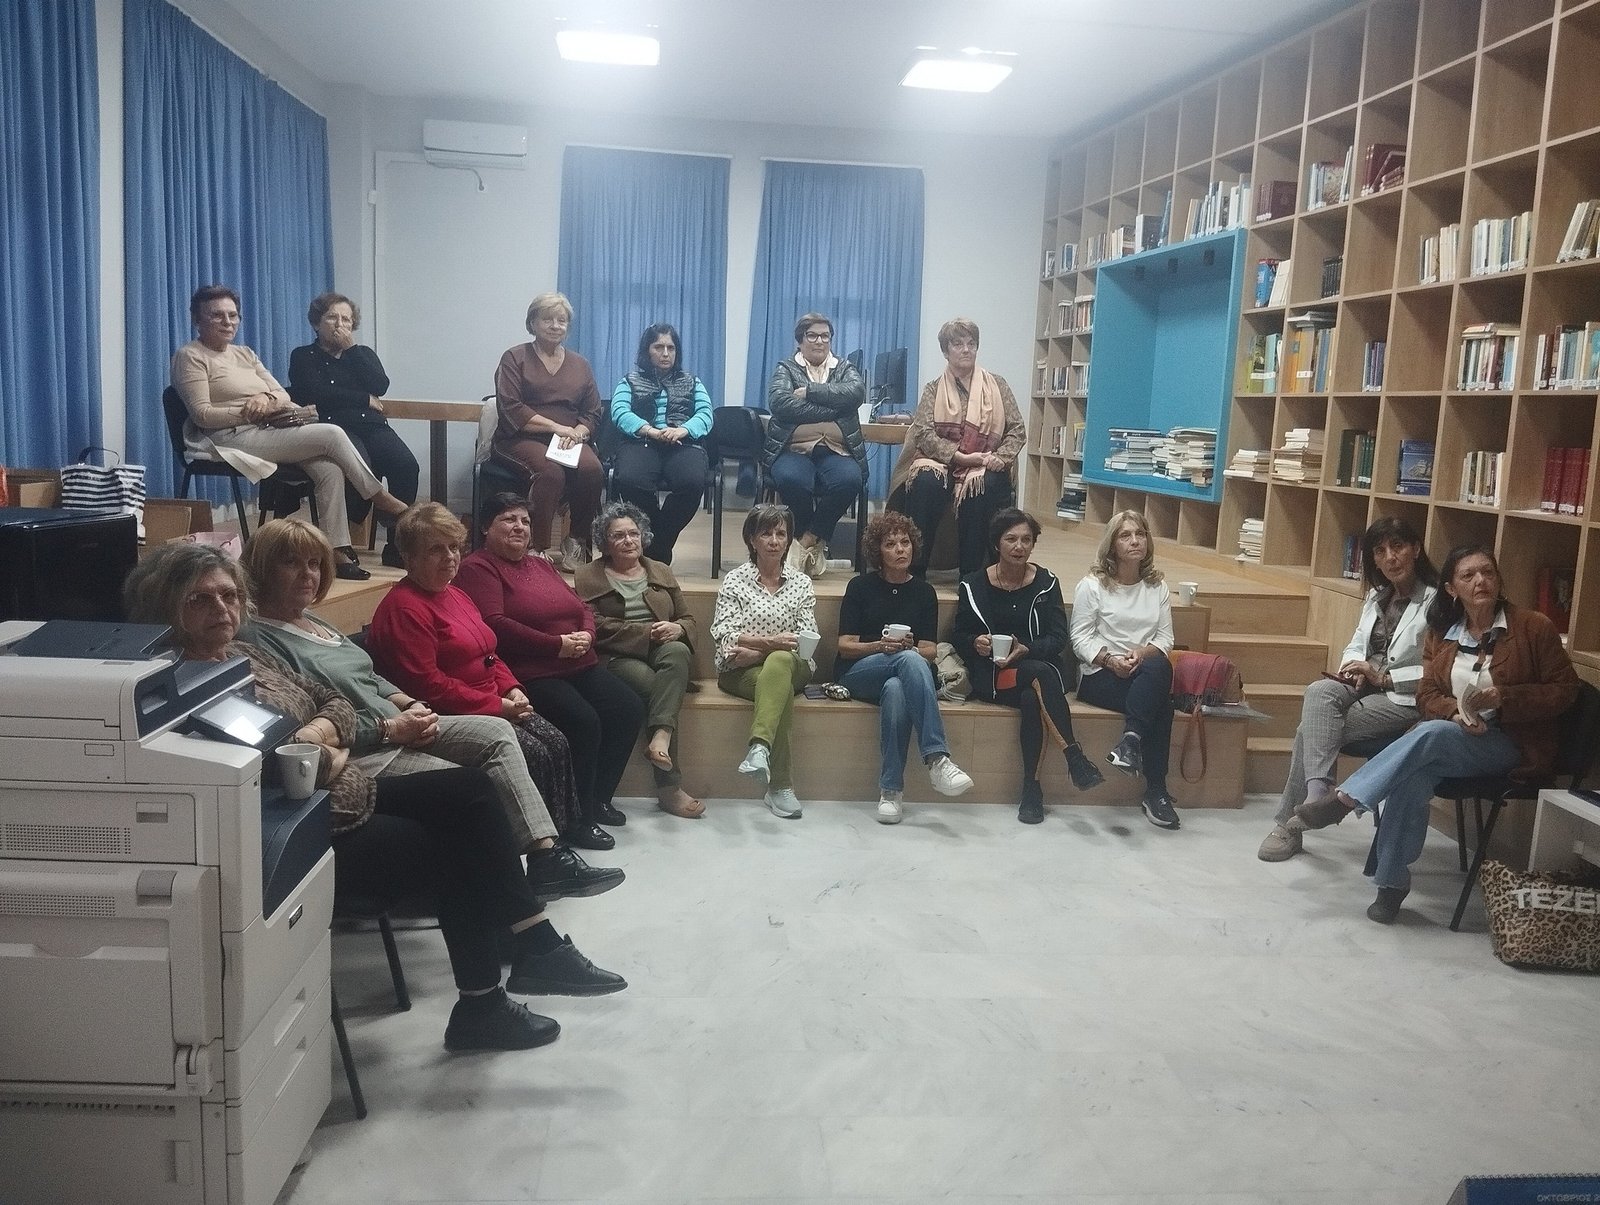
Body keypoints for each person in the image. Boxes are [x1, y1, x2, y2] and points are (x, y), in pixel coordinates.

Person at [124, 542, 625, 1053]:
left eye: (229, 596)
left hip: (347, 789)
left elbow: (333, 703)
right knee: (460, 832)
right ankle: (498, 987)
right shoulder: (177, 684)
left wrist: (319, 737)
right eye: (200, 600)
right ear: (165, 606)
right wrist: (326, 745)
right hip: (302, 827)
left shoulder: (242, 654)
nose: (222, 609)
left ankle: (524, 953)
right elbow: (292, 767)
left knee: (471, 793)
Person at [241, 517, 619, 901]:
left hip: (402, 719)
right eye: (291, 563)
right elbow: (311, 714)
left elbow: (369, 676)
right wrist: (393, 726)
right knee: (477, 784)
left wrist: (410, 704)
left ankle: (546, 856)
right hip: (365, 748)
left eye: (314, 564)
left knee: (502, 733)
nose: (308, 574)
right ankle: (503, 895)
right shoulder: (259, 638)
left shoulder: (312, 619)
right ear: (262, 568)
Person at [1293, 545, 1579, 923]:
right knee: (1414, 772)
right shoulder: (1443, 633)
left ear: (1498, 579)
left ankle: (1345, 798)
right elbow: (1426, 695)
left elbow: (1565, 691)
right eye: (1468, 575)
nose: (1480, 581)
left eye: (1488, 572)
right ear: (1451, 589)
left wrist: (1504, 698)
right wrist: (1455, 713)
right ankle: (1391, 883)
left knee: (1430, 735)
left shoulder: (1533, 627)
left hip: (1512, 744)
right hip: (1458, 735)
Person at [364, 503, 612, 852]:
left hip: (491, 698)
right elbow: (428, 686)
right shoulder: (404, 608)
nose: (450, 557)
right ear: (409, 557)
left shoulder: (455, 593)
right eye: (435, 549)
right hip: (447, 713)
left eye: (454, 547)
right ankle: (535, 852)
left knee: (556, 742)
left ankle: (563, 834)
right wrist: (496, 705)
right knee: (533, 752)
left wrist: (512, 688)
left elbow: (489, 653)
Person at [170, 284, 409, 580]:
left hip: (268, 428)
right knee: (332, 434)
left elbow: (282, 394)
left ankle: (336, 549)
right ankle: (380, 498)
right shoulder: (190, 356)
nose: (227, 321)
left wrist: (266, 398)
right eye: (217, 315)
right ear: (198, 319)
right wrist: (250, 410)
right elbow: (202, 415)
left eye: (233, 315)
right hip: (227, 437)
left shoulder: (244, 353)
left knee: (329, 468)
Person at [455, 494, 646, 840]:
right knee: (583, 721)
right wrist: (555, 645)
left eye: (525, 521)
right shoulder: (478, 567)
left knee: (628, 707)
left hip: (577, 663)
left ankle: (597, 799)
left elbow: (581, 606)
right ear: (485, 527)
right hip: (530, 672)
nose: (519, 527)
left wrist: (587, 634)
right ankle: (576, 820)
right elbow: (494, 624)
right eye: (508, 519)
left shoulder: (540, 565)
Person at [1258, 517, 1439, 862]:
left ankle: (1289, 825)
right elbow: (1357, 642)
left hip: (1404, 697)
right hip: (1364, 684)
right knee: (1319, 690)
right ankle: (1317, 796)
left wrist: (1384, 678)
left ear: (1416, 549)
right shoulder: (1377, 596)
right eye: (1380, 551)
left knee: (1309, 730)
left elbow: (1441, 670)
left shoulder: (1437, 602)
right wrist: (1353, 667)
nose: (1390, 557)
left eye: (1398, 547)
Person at [952, 507, 1104, 824]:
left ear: (1033, 544)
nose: (1019, 546)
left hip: (1036, 674)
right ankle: (1074, 757)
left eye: (1026, 540)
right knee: (1039, 675)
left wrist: (1026, 649)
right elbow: (959, 634)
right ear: (997, 544)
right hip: (994, 676)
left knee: (1032, 695)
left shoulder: (1046, 583)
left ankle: (1031, 792)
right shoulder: (973, 585)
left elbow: (1058, 638)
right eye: (1011, 539)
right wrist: (975, 642)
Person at [833, 510, 974, 824]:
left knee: (897, 688)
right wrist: (880, 646)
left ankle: (891, 791)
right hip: (859, 671)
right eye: (891, 544)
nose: (900, 549)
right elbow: (845, 645)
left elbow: (929, 650)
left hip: (902, 674)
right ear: (878, 552)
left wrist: (909, 648)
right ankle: (937, 758)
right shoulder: (860, 587)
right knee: (909, 660)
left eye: (905, 542)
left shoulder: (924, 592)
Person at [574, 501, 703, 819]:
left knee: (678, 651)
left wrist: (677, 628)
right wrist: (646, 633)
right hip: (616, 656)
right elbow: (594, 626)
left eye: (633, 533)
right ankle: (669, 787)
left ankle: (661, 737)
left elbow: (687, 619)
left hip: (663, 649)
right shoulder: (587, 576)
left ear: (643, 536)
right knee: (654, 688)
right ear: (605, 542)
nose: (628, 540)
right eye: (618, 535)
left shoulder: (660, 570)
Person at [287, 292, 419, 568]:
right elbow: (313, 393)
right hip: (334, 428)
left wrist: (351, 350)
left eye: (346, 320)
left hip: (372, 426)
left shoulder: (362, 354)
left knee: (406, 465)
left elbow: (380, 385)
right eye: (332, 318)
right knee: (360, 468)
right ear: (316, 323)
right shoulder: (303, 356)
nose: (340, 325)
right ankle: (342, 544)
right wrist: (363, 398)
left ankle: (397, 544)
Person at [889, 318, 1026, 578]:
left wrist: (1001, 457)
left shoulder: (997, 385)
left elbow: (1017, 429)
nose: (966, 349)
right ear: (945, 351)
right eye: (958, 344)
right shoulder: (933, 389)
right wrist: (958, 457)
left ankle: (972, 577)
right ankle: (914, 573)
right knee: (925, 482)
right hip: (941, 461)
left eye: (971, 344)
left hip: (985, 462)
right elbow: (923, 432)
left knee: (983, 484)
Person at [1071, 510, 1180, 831]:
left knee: (1158, 665)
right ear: (1112, 544)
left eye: (1140, 534)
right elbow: (1080, 638)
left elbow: (1165, 639)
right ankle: (1156, 791)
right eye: (1125, 535)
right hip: (1099, 674)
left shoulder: (1157, 587)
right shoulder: (1092, 586)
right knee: (1163, 705)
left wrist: (1140, 654)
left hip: (1142, 671)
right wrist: (1110, 661)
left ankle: (1130, 742)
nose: (1135, 541)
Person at [710, 504, 817, 818]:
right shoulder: (735, 581)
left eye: (781, 533)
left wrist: (760, 650)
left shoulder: (801, 583)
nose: (774, 540)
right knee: (779, 688)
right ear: (751, 540)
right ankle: (780, 787)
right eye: (766, 533)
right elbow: (724, 633)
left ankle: (760, 747)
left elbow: (805, 639)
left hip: (792, 664)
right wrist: (772, 643)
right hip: (738, 671)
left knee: (780, 662)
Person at [491, 291, 605, 570]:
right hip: (520, 437)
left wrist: (577, 433)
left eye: (561, 320)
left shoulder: (581, 364)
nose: (555, 326)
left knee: (592, 469)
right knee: (550, 472)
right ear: (532, 323)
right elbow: (511, 407)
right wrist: (557, 427)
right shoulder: (514, 357)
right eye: (547, 319)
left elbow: (592, 411)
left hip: (569, 438)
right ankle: (537, 548)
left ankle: (577, 542)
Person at [764, 312, 868, 578]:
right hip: (794, 448)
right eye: (812, 335)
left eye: (825, 336)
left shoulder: (843, 368)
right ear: (800, 340)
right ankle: (810, 545)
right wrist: (835, 408)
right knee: (792, 480)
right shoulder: (786, 369)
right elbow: (780, 403)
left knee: (851, 480)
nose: (820, 341)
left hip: (835, 449)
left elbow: (856, 393)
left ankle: (806, 541)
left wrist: (811, 392)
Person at [607, 323, 712, 564]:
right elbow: (619, 412)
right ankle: (657, 547)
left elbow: (706, 414)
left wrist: (684, 430)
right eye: (658, 347)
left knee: (692, 483)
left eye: (671, 348)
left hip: (683, 443)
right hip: (641, 441)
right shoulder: (629, 381)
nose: (665, 353)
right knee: (630, 479)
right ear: (647, 350)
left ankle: (657, 544)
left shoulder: (692, 381)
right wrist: (650, 430)